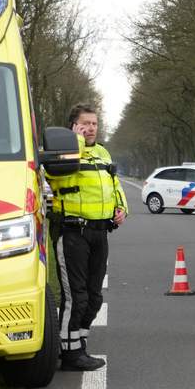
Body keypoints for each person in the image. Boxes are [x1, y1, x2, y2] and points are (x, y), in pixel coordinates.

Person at [47, 104, 127, 371]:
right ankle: (70, 355)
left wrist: (121, 208)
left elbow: (114, 185)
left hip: (99, 232)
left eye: (94, 123)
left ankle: (76, 344)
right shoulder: (65, 151)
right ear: (73, 126)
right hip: (72, 232)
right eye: (84, 124)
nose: (91, 128)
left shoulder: (103, 152)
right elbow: (54, 177)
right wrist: (76, 141)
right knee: (75, 297)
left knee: (94, 297)